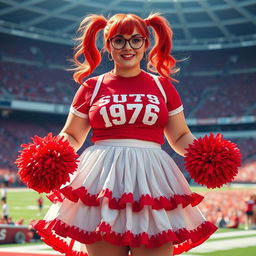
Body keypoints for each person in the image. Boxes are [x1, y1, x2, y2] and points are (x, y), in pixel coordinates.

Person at [32, 13, 217, 256]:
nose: (127, 47)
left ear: (145, 44)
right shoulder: (92, 86)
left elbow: (180, 135)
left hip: (152, 180)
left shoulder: (163, 86)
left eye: (135, 40)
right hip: (102, 181)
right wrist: (50, 156)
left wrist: (209, 155)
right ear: (108, 46)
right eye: (119, 40)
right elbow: (72, 136)